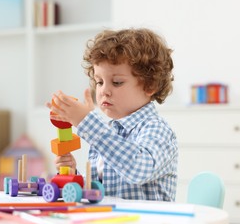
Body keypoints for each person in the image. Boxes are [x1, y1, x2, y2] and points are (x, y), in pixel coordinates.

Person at [47, 28, 178, 201]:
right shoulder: (109, 133)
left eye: (116, 82)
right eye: (99, 82)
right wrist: (73, 175)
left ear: (149, 85)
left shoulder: (157, 129)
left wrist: (86, 122)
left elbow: (138, 169)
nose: (104, 91)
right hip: (112, 221)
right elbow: (99, 191)